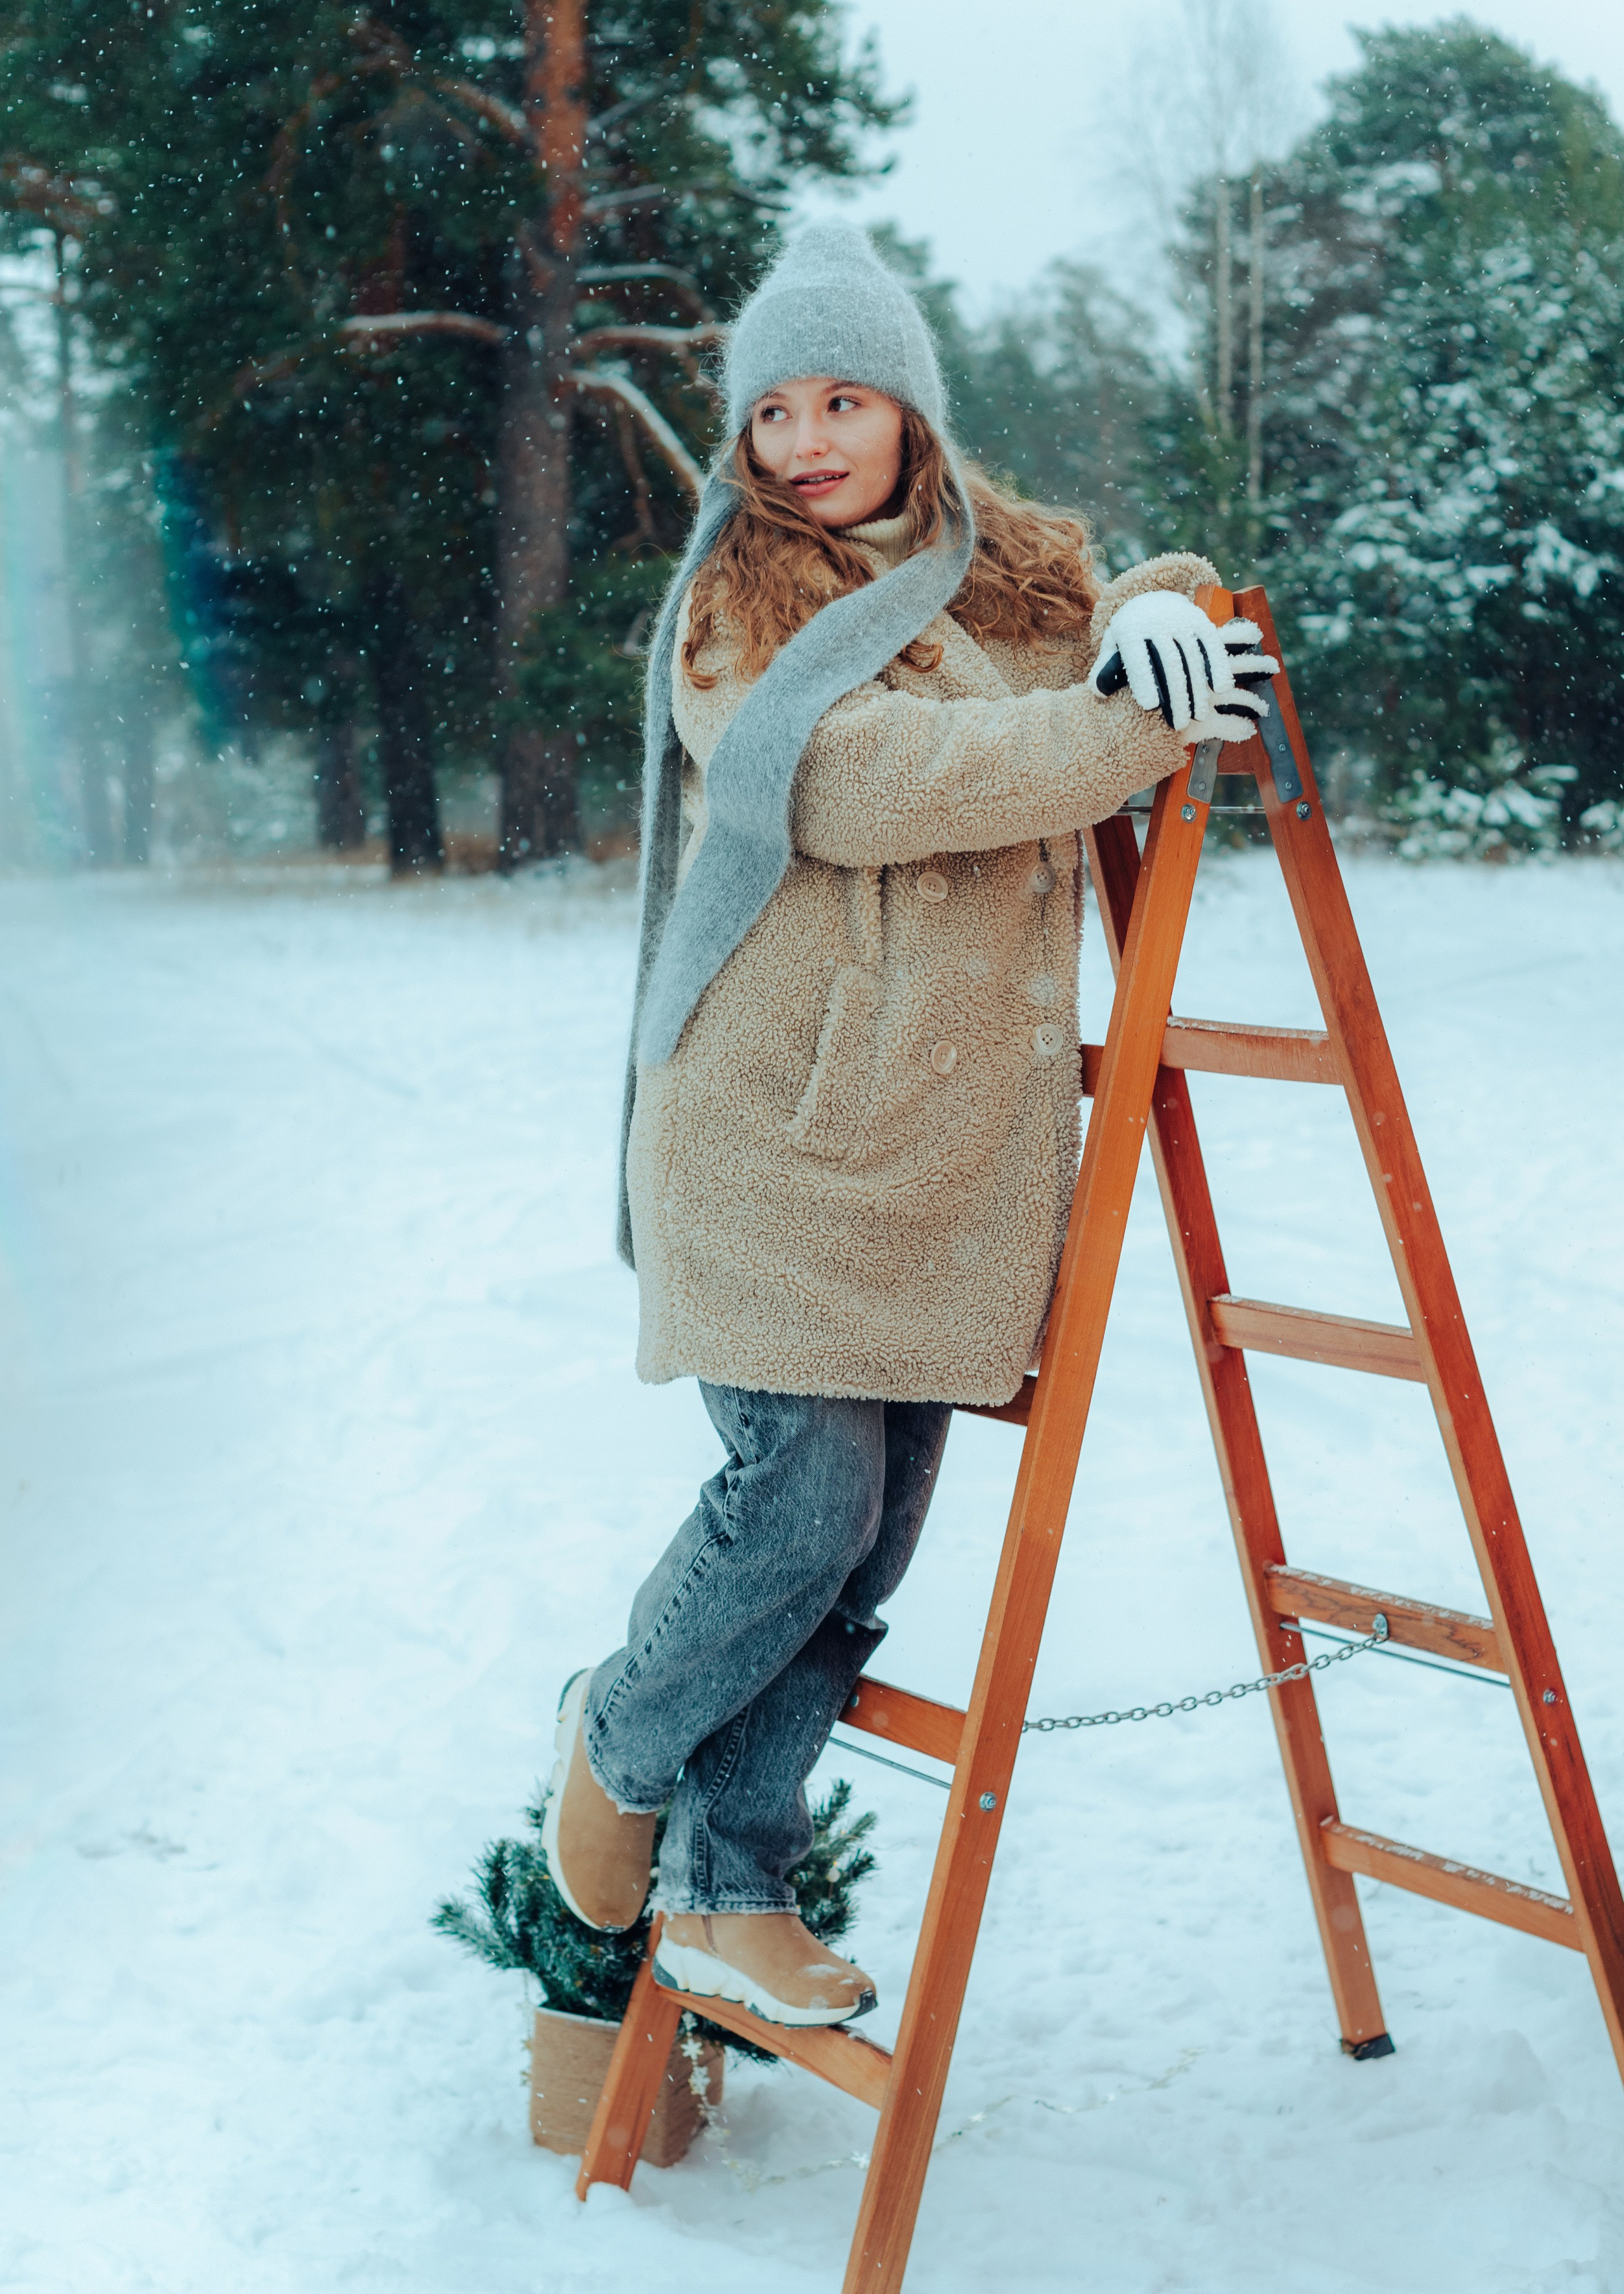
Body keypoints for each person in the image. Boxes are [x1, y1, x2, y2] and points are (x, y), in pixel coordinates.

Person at [542, 225, 1273, 2029]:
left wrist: (1158, 614)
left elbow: (1120, 601)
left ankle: (730, 1893)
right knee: (794, 1513)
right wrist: (1115, 738)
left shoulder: (1003, 575)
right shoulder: (738, 606)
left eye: (841, 398)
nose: (803, 440)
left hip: (936, 1155)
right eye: (772, 410)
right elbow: (866, 788)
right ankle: (621, 1736)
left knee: (862, 1554)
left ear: (911, 409)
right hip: (768, 1138)